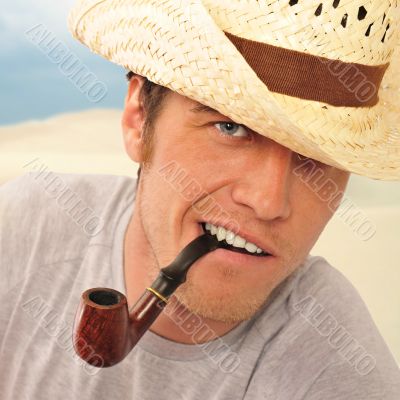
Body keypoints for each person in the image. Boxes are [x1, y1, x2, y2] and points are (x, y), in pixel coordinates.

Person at [1, 0, 399, 399]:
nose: (268, 202)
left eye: (316, 157)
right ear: (139, 118)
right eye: (230, 127)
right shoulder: (21, 232)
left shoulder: (341, 371)